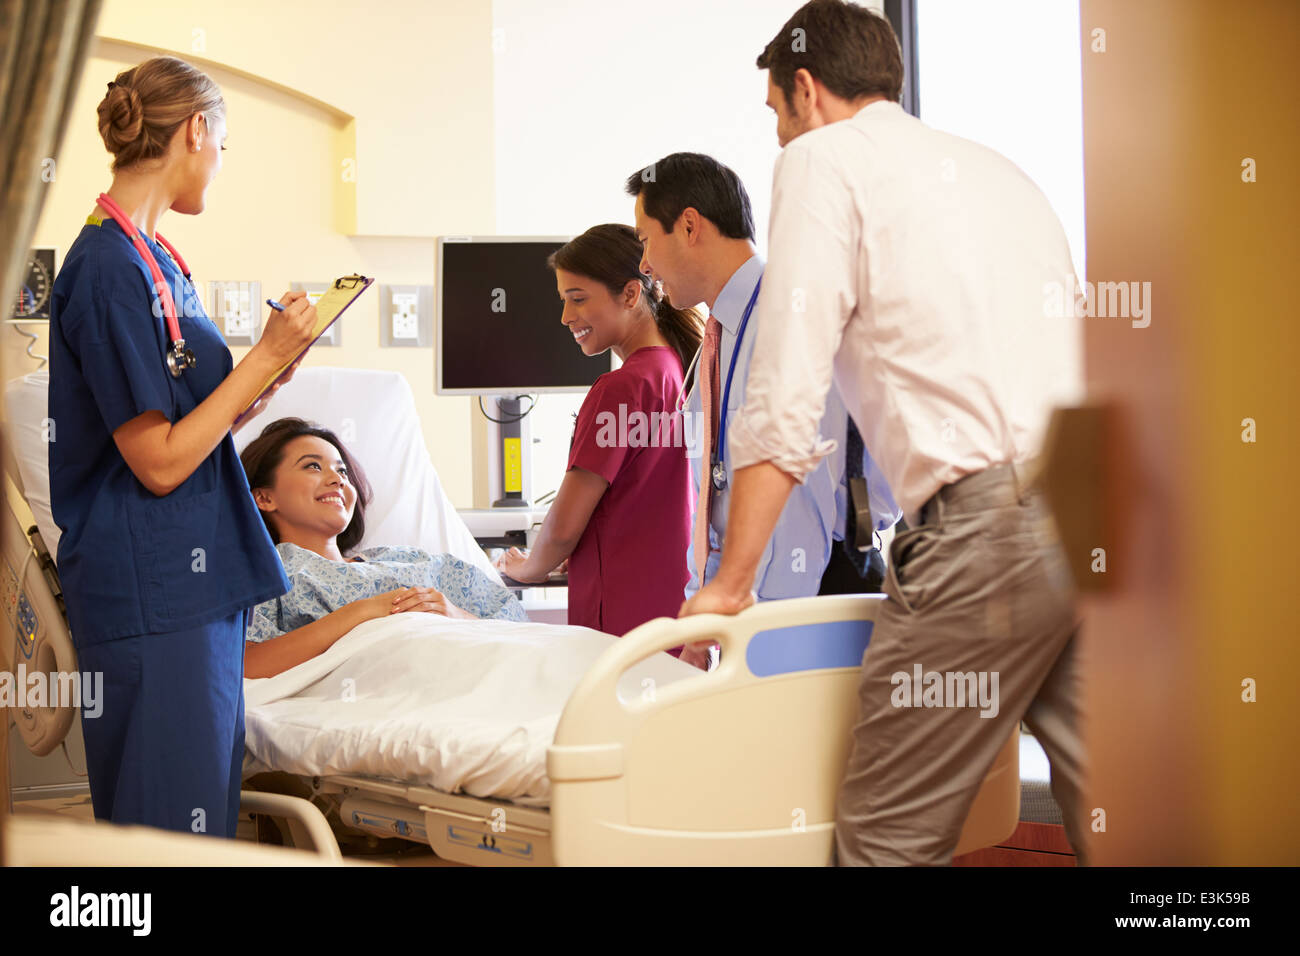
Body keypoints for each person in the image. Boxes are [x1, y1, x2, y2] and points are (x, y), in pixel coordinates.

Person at [681, 0, 1089, 866]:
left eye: (776, 118)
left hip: (991, 528)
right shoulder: (1000, 172)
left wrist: (731, 581)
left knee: (886, 843)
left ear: (805, 88)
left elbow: (785, 390)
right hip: (1104, 511)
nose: (781, 141)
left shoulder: (826, 160)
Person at [47, 56, 318, 837]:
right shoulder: (105, 266)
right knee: (168, 838)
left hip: (195, 587)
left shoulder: (156, 258)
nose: (220, 165)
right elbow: (158, 461)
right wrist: (261, 356)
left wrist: (259, 386)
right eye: (223, 144)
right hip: (153, 588)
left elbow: (184, 430)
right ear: (196, 130)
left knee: (203, 827)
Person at [626, 152, 899, 670]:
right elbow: (718, 496)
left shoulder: (787, 315)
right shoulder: (722, 336)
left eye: (644, 240)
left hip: (802, 613)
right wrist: (702, 631)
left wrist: (762, 647)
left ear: (688, 226)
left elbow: (801, 503)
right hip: (752, 620)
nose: (643, 264)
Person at [494, 224, 701, 648]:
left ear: (629, 294)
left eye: (578, 299)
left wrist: (530, 567)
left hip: (622, 622)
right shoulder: (680, 373)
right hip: (674, 611)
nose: (566, 317)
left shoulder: (621, 388)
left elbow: (565, 526)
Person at [239, 418, 527, 679]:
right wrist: (360, 613)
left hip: (482, 668)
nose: (338, 479)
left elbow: (519, 633)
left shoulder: (408, 559)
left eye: (342, 471)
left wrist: (458, 617)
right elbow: (246, 663)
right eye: (312, 466)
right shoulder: (264, 571)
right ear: (264, 498)